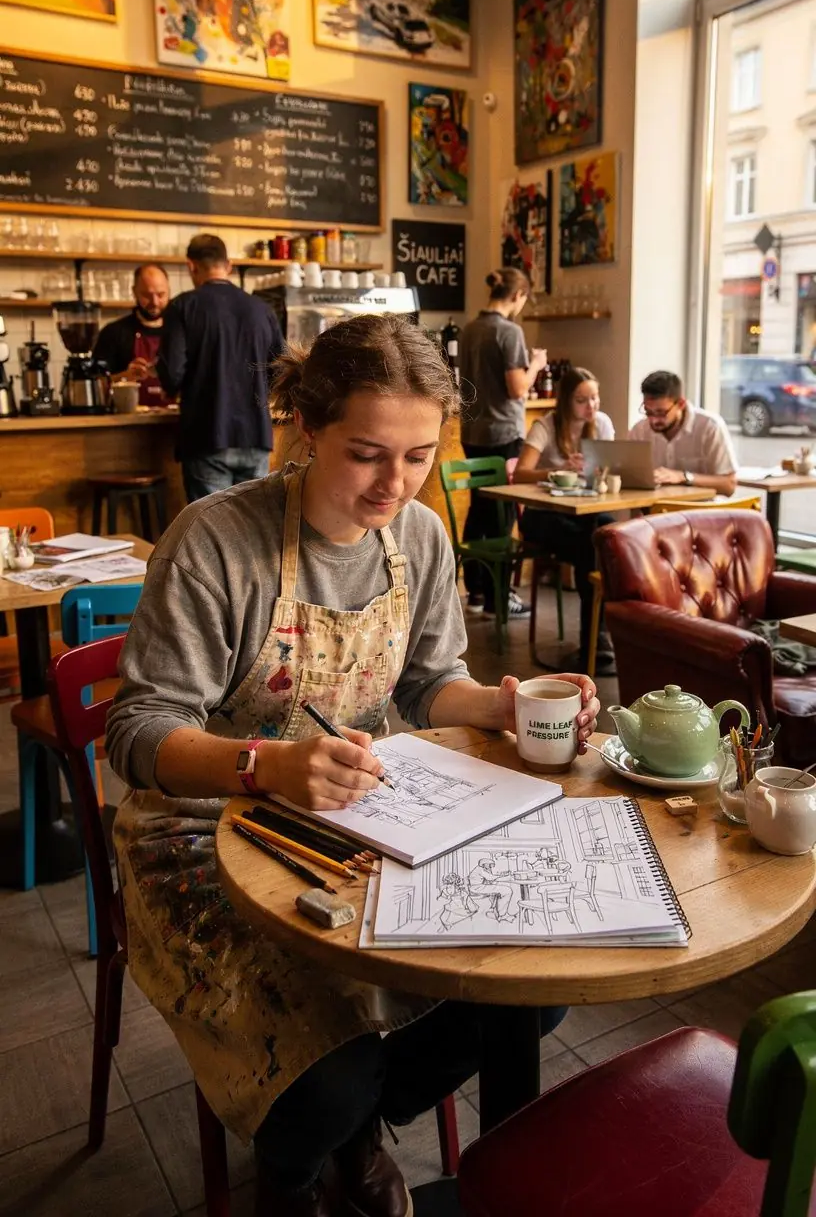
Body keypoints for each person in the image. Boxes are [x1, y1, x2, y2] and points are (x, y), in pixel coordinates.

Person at [106, 314, 600, 1217]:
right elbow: (139, 731)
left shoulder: (418, 536)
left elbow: (427, 683)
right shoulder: (216, 539)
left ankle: (353, 1130)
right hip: (200, 825)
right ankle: (300, 1165)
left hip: (357, 813)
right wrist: (267, 767)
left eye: (418, 457)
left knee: (532, 999)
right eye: (368, 454)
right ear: (303, 424)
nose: (396, 485)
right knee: (326, 1078)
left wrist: (493, 703)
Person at [157, 232, 284, 502]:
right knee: (254, 528)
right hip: (256, 436)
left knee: (211, 532)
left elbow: (171, 375)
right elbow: (281, 371)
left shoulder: (182, 307)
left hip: (207, 436)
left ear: (191, 265)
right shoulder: (262, 310)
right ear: (228, 265)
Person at [458, 267, 548, 617]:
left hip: (473, 431)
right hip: (504, 433)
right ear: (517, 295)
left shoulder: (470, 329)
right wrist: (536, 364)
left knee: (479, 510)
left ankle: (477, 590)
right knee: (501, 514)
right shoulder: (509, 331)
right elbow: (518, 387)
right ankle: (499, 597)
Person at [513, 366, 616, 671]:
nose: (592, 406)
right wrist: (558, 471)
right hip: (541, 516)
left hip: (583, 512)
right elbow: (520, 473)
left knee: (610, 535)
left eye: (595, 398)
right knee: (592, 548)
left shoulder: (603, 424)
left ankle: (597, 640)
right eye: (582, 400)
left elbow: (610, 467)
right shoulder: (545, 426)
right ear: (566, 402)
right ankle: (595, 643)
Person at [628, 370, 738, 496]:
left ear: (680, 404)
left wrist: (684, 477)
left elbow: (729, 485)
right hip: (657, 510)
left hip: (700, 510)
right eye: (648, 412)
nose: (653, 420)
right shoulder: (640, 430)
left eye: (661, 412)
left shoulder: (709, 427)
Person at [92, 262, 172, 405]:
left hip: (175, 421)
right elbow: (95, 386)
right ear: (134, 292)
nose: (155, 302)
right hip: (128, 424)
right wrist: (125, 377)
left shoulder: (182, 330)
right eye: (147, 295)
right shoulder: (114, 332)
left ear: (169, 291)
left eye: (161, 295)